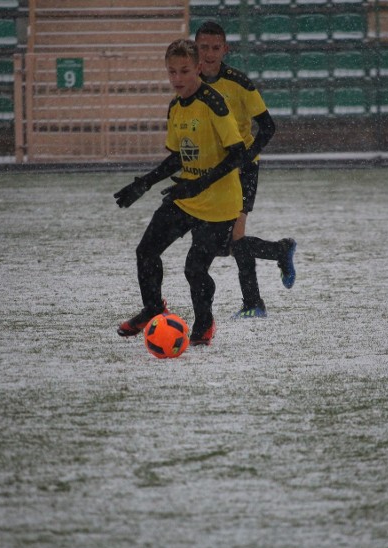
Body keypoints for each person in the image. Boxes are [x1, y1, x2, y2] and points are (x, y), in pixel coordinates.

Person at [113, 39, 245, 346]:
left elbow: (238, 153)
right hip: (186, 196)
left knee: (194, 269)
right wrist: (144, 182)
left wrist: (200, 183)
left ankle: (204, 323)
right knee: (146, 251)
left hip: (221, 205)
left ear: (198, 68)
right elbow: (177, 157)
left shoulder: (214, 103)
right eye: (172, 72)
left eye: (184, 70)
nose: (177, 78)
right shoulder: (175, 106)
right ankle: (153, 309)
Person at [195, 20, 296, 319]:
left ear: (225, 49)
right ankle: (280, 250)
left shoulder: (239, 83)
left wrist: (245, 156)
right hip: (209, 172)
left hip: (242, 170)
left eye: (216, 47)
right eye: (204, 47)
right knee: (222, 245)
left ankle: (254, 303)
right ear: (195, 48)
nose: (210, 53)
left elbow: (268, 126)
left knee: (236, 239)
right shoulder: (191, 84)